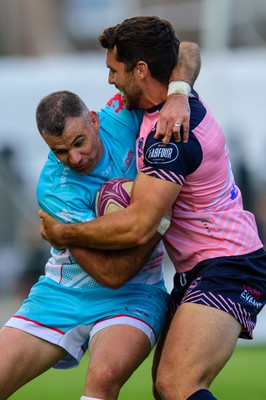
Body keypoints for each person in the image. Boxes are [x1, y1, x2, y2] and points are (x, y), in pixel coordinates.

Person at [40, 16, 266, 400]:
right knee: (166, 390)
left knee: (177, 384)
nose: (109, 80)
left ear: (140, 70)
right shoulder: (168, 105)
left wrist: (63, 233)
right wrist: (178, 90)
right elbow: (189, 50)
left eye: (114, 70)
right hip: (200, 267)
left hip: (228, 263)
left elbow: (140, 227)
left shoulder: (168, 136)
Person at [0, 34, 201, 400]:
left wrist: (176, 94)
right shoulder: (53, 188)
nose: (74, 159)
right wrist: (157, 220)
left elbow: (186, 49)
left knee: (104, 377)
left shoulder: (123, 114)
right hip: (61, 293)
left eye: (79, 142)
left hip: (135, 294)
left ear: (93, 119)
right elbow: (109, 272)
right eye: (59, 151)